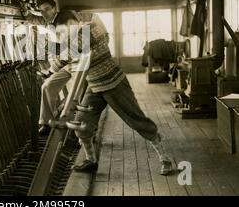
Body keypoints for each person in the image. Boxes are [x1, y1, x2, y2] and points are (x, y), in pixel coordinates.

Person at [51, 12, 173, 175]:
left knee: (137, 120)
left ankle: (164, 158)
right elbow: (63, 60)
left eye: (71, 25)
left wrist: (54, 60)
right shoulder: (73, 41)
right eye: (65, 29)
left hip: (114, 83)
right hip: (94, 86)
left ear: (77, 21)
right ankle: (91, 160)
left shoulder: (91, 29)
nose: (70, 30)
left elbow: (65, 56)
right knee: (81, 124)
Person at [20, 0, 80, 135]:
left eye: (47, 9)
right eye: (41, 11)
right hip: (69, 63)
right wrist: (25, 12)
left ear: (54, 8)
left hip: (80, 63)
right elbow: (37, 20)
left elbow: (71, 48)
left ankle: (81, 131)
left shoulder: (64, 19)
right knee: (47, 87)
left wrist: (51, 70)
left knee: (76, 96)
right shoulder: (50, 20)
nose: (44, 13)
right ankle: (46, 122)